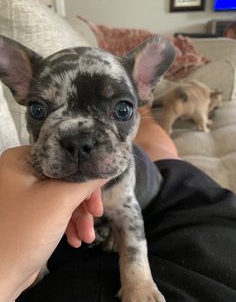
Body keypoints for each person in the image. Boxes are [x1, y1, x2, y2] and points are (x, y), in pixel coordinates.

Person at [1, 106, 236, 302]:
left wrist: (8, 272)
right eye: (40, 110)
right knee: (165, 157)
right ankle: (142, 120)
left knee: (155, 155)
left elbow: (128, 211)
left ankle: (143, 122)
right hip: (188, 225)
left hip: (150, 200)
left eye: (121, 111)